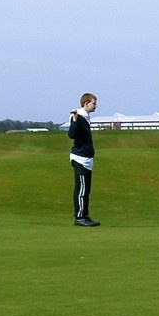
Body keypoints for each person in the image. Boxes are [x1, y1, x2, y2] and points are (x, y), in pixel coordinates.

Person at [68, 93, 101, 227]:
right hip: (80, 158)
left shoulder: (86, 117)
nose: (96, 106)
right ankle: (80, 217)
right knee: (81, 190)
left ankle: (85, 215)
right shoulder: (79, 116)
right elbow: (71, 134)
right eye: (94, 103)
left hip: (87, 159)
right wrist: (75, 119)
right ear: (86, 103)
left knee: (86, 190)